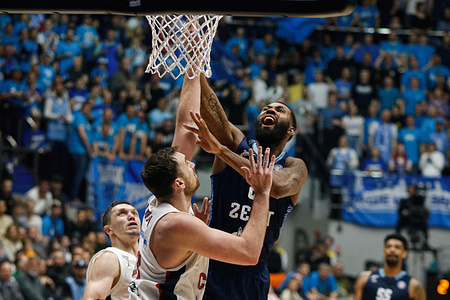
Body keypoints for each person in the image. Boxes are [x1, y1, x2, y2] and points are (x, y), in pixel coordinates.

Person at [190, 74, 307, 299]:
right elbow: (214, 114)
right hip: (211, 267)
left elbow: (278, 186)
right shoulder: (236, 143)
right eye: (266, 108)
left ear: (291, 130)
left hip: (252, 276)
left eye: (279, 110)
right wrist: (197, 67)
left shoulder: (295, 166)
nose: (270, 110)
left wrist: (221, 151)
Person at [84, 201, 140, 299]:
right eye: (122, 213)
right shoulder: (110, 258)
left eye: (134, 213)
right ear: (109, 230)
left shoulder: (149, 258)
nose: (131, 216)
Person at [354, 233, 426, 300]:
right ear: (384, 251)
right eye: (389, 246)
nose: (392, 250)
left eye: (397, 247)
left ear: (404, 253)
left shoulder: (414, 286)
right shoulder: (365, 278)